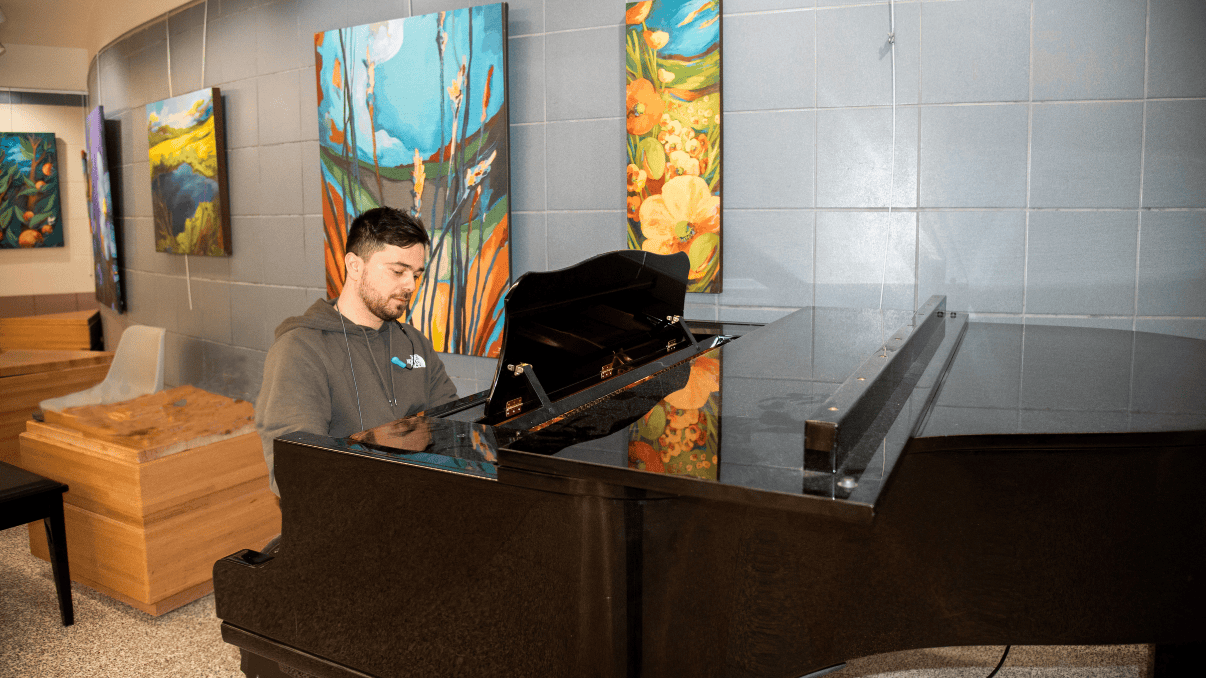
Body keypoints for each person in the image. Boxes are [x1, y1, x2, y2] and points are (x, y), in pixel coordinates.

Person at [255, 207, 458, 496]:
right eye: (398, 271)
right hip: (353, 511)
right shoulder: (300, 351)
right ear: (354, 266)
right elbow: (299, 472)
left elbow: (452, 426)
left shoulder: (415, 342)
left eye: (416, 274)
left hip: (420, 498)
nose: (410, 285)